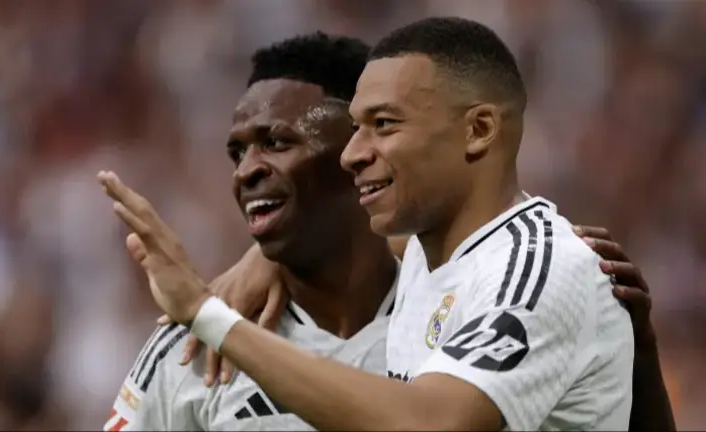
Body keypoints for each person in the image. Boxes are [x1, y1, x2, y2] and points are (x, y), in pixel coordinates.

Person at [100, 18, 674, 431]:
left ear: (478, 130)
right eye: (355, 128)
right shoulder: (434, 257)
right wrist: (270, 256)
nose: (355, 153)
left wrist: (208, 315)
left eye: (383, 124)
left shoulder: (538, 270)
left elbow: (430, 424)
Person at [104, 32, 400, 431]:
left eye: (276, 142)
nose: (245, 171)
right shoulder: (193, 350)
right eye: (238, 153)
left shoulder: (455, 310)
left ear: (361, 151)